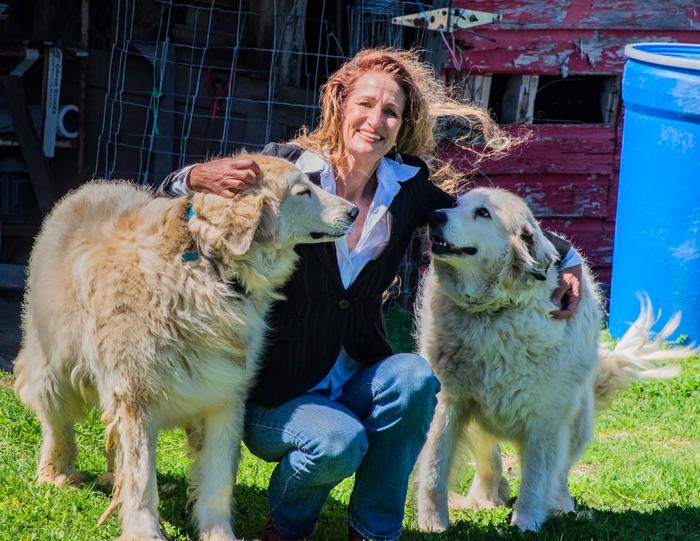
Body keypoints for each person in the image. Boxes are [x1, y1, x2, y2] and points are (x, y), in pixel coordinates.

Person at [160, 48, 583, 541]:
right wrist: (191, 178)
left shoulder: (407, 187)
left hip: (357, 372)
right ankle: (287, 527)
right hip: (281, 390)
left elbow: (494, 224)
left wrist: (568, 258)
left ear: (402, 125)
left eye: (390, 112)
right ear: (340, 104)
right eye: (364, 104)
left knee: (414, 376)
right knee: (339, 441)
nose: (374, 120)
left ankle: (374, 531)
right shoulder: (287, 169)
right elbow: (178, 198)